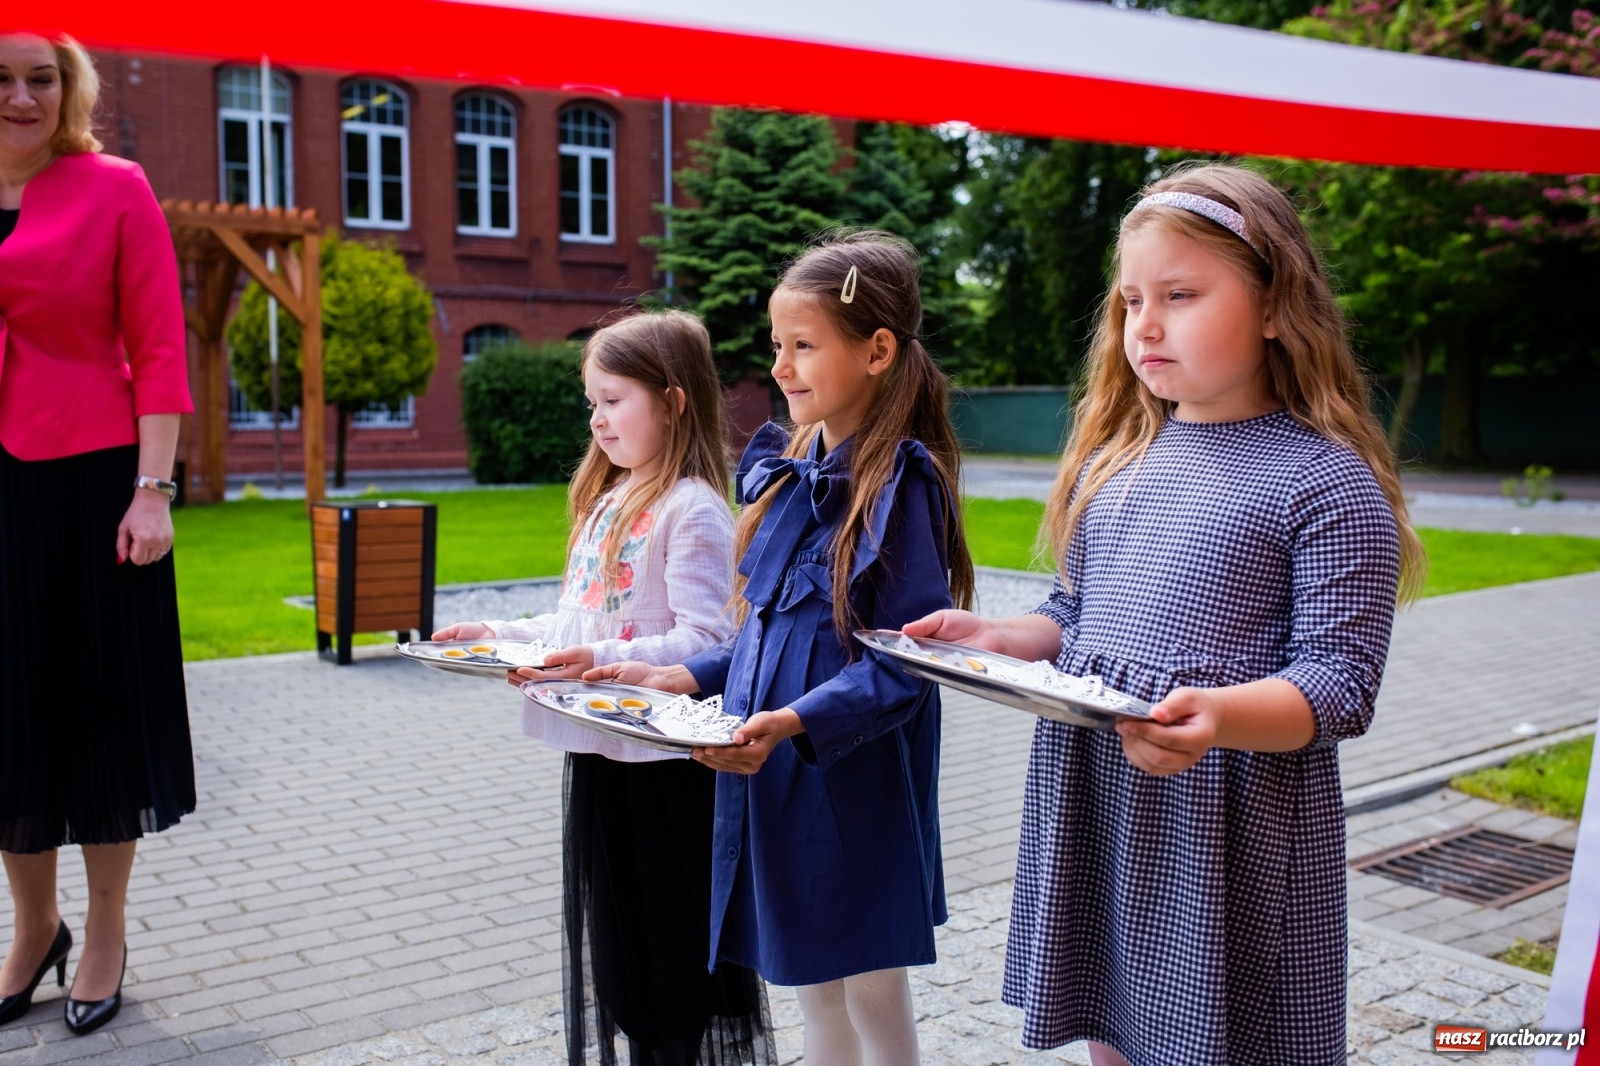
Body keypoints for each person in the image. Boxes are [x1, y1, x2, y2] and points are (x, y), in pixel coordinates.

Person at [904, 163, 1427, 1066]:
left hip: (1230, 833)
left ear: (1275, 305)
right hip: (1102, 799)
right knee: (1111, 1027)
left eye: (1181, 294)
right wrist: (1001, 638)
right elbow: (1076, 611)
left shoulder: (1326, 482)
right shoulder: (1118, 461)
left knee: (1221, 1041)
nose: (1145, 324)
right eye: (1131, 299)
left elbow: (1340, 686)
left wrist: (1220, 716)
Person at [592, 232, 976, 1066]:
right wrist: (686, 672)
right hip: (778, 773)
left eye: (804, 346)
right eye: (777, 347)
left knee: (869, 983)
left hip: (853, 779)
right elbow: (767, 631)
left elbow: (908, 666)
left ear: (876, 351)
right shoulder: (788, 471)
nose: (782, 366)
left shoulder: (900, 484)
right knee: (809, 984)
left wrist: (796, 720)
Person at [433, 311, 773, 1066]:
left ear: (674, 401)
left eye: (614, 398)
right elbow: (578, 617)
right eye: (593, 401)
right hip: (599, 760)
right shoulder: (609, 499)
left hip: (662, 773)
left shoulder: (693, 510)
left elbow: (710, 641)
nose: (597, 418)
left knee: (668, 959)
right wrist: (497, 636)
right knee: (621, 958)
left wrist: (605, 654)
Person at [0, 33, 196, 1036]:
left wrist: (151, 488)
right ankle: (34, 929)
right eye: (0, 78)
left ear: (68, 86)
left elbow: (158, 343)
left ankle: (107, 924)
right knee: (7, 720)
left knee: (95, 713)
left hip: (92, 481)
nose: (22, 95)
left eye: (41, 76)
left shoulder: (113, 186)